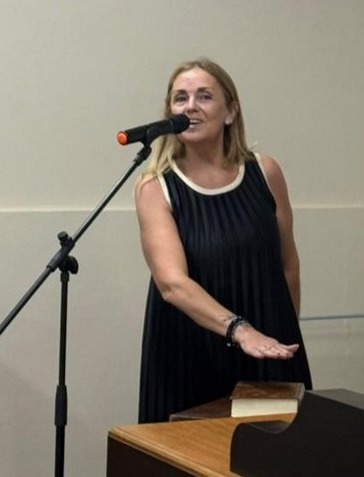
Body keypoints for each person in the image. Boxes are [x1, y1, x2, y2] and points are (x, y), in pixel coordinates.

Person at [134, 58, 312, 423]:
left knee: (279, 449)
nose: (190, 107)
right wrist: (240, 330)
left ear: (230, 111)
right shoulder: (156, 186)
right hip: (189, 357)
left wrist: (279, 336)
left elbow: (288, 264)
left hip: (264, 351)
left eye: (204, 96)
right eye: (180, 98)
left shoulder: (266, 173)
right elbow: (172, 284)